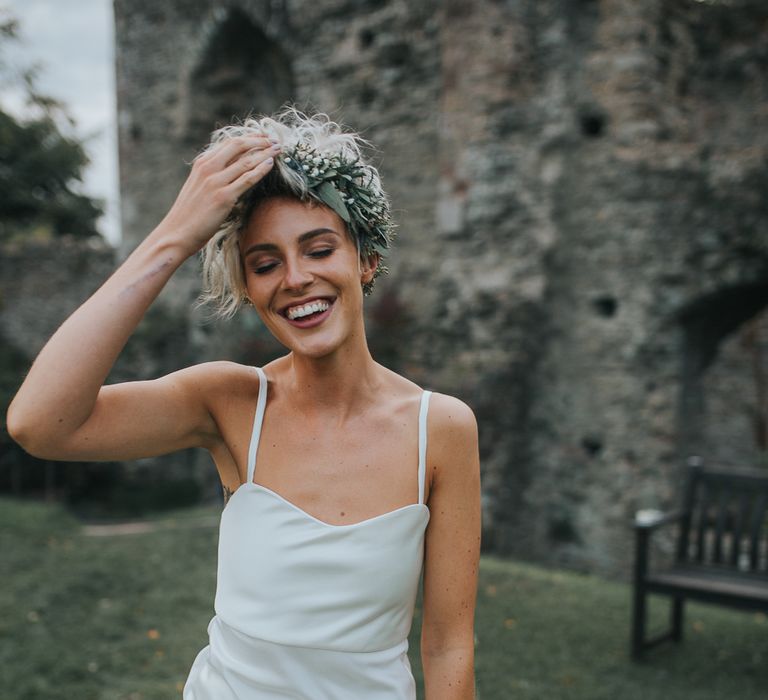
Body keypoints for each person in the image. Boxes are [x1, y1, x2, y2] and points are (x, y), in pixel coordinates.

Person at [7, 106, 481, 699]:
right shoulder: (230, 403)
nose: (295, 278)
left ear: (366, 261)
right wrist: (174, 237)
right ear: (250, 290)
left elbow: (447, 646)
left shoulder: (440, 429)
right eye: (265, 264)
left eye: (318, 249)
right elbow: (38, 424)